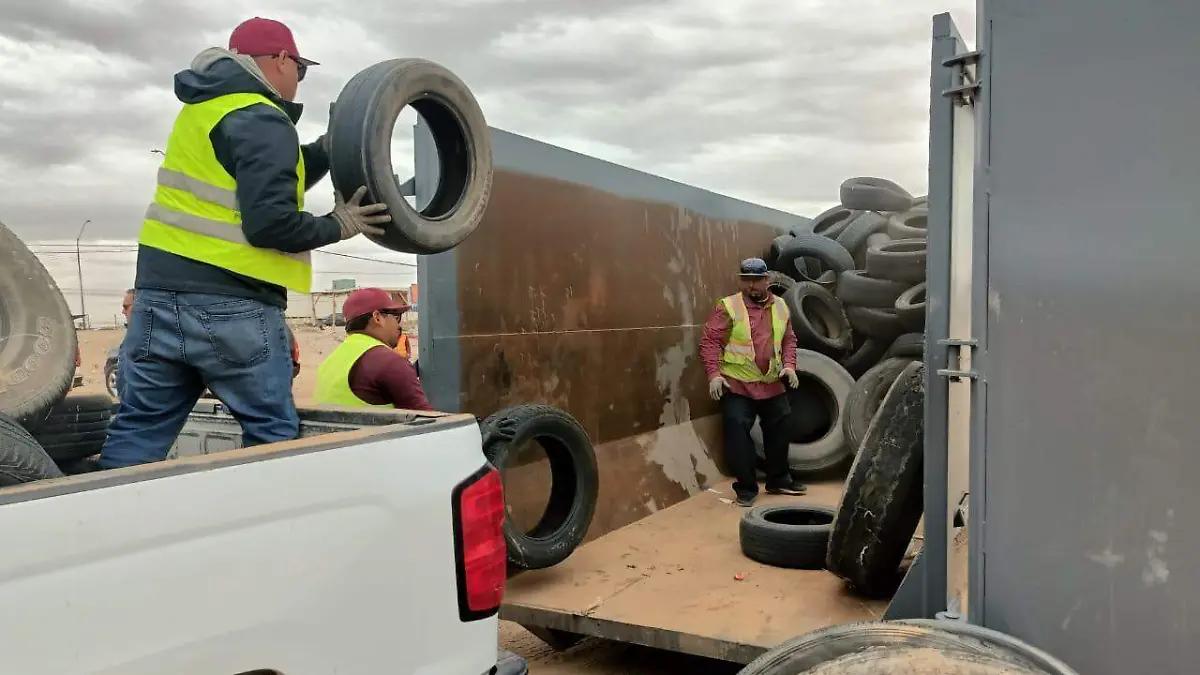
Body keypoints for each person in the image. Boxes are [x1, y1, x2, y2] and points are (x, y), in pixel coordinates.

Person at [99, 18, 391, 469]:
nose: (298, 79)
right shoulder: (263, 116)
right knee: (271, 436)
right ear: (281, 60)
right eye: (300, 68)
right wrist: (340, 224)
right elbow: (271, 224)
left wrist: (325, 149)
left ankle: (104, 511)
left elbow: (259, 182)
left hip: (157, 300)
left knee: (140, 430)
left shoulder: (203, 110)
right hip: (229, 305)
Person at [700, 257, 806, 506]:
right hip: (738, 384)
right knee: (737, 434)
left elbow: (789, 339)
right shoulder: (728, 306)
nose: (751, 286)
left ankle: (779, 480)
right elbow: (710, 341)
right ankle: (746, 488)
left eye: (757, 280)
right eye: (746, 280)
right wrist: (714, 375)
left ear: (767, 280)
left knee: (779, 433)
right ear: (740, 281)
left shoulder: (781, 306)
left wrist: (789, 366)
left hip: (772, 383)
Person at [315, 288, 432, 411]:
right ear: (377, 317)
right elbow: (428, 419)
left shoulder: (331, 361)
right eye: (396, 317)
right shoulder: (390, 362)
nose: (399, 326)